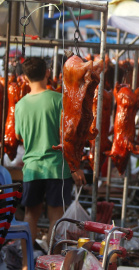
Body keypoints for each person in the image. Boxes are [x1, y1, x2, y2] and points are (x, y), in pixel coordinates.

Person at [15, 57, 86, 247]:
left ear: (25, 77)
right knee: (57, 216)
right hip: (57, 168)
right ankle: (53, 262)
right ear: (47, 73)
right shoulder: (58, 99)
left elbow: (19, 136)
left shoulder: (20, 106)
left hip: (32, 168)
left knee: (30, 215)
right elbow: (69, 135)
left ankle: (26, 262)